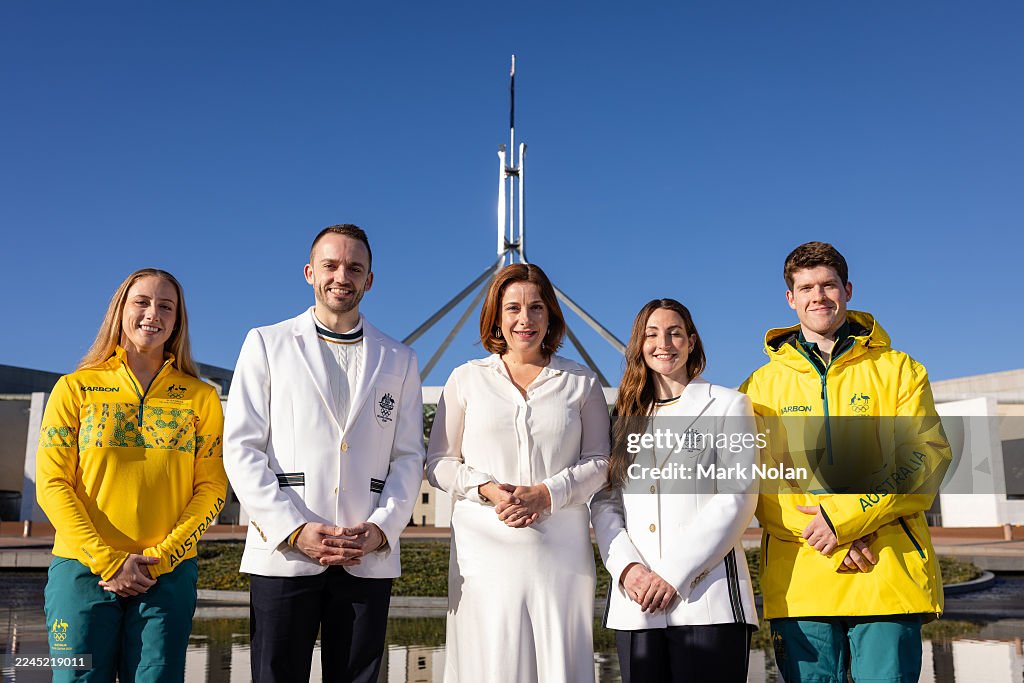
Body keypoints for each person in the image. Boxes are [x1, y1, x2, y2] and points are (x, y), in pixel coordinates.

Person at [740, 241, 951, 683]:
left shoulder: (900, 371)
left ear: (848, 290)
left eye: (828, 285)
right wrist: (829, 536)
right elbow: (757, 483)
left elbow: (924, 457)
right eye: (806, 288)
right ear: (790, 299)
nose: (818, 296)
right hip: (803, 585)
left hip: (886, 575)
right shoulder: (758, 388)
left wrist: (845, 519)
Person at [223, 224, 424, 683]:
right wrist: (292, 529)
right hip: (285, 552)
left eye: (355, 267)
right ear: (310, 272)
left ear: (369, 279)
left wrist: (380, 528)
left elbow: (409, 457)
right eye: (331, 265)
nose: (342, 276)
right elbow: (241, 447)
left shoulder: (399, 358)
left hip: (364, 553)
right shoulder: (266, 343)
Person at [36, 268, 227, 682]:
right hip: (81, 571)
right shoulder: (75, 389)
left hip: (167, 575)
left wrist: (160, 560)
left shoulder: (202, 397)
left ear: (178, 321)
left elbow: (212, 489)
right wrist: (107, 561)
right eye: (141, 302)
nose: (152, 314)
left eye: (166, 306)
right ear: (120, 310)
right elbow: (52, 485)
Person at [426, 263, 610, 683]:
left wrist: (547, 493)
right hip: (482, 553)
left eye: (536, 307)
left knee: (558, 662)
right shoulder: (465, 379)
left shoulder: (581, 382)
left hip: (560, 551)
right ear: (496, 315)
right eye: (513, 308)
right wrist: (487, 488)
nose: (524, 319)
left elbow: (600, 462)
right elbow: (438, 463)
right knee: (488, 662)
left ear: (551, 316)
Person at [590, 298, 758, 683]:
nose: (663, 343)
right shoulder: (623, 418)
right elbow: (605, 501)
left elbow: (738, 495)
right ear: (638, 345)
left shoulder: (729, 405)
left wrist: (671, 575)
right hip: (637, 604)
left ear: (692, 341)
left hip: (708, 603)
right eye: (651, 334)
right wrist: (628, 569)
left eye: (674, 333)